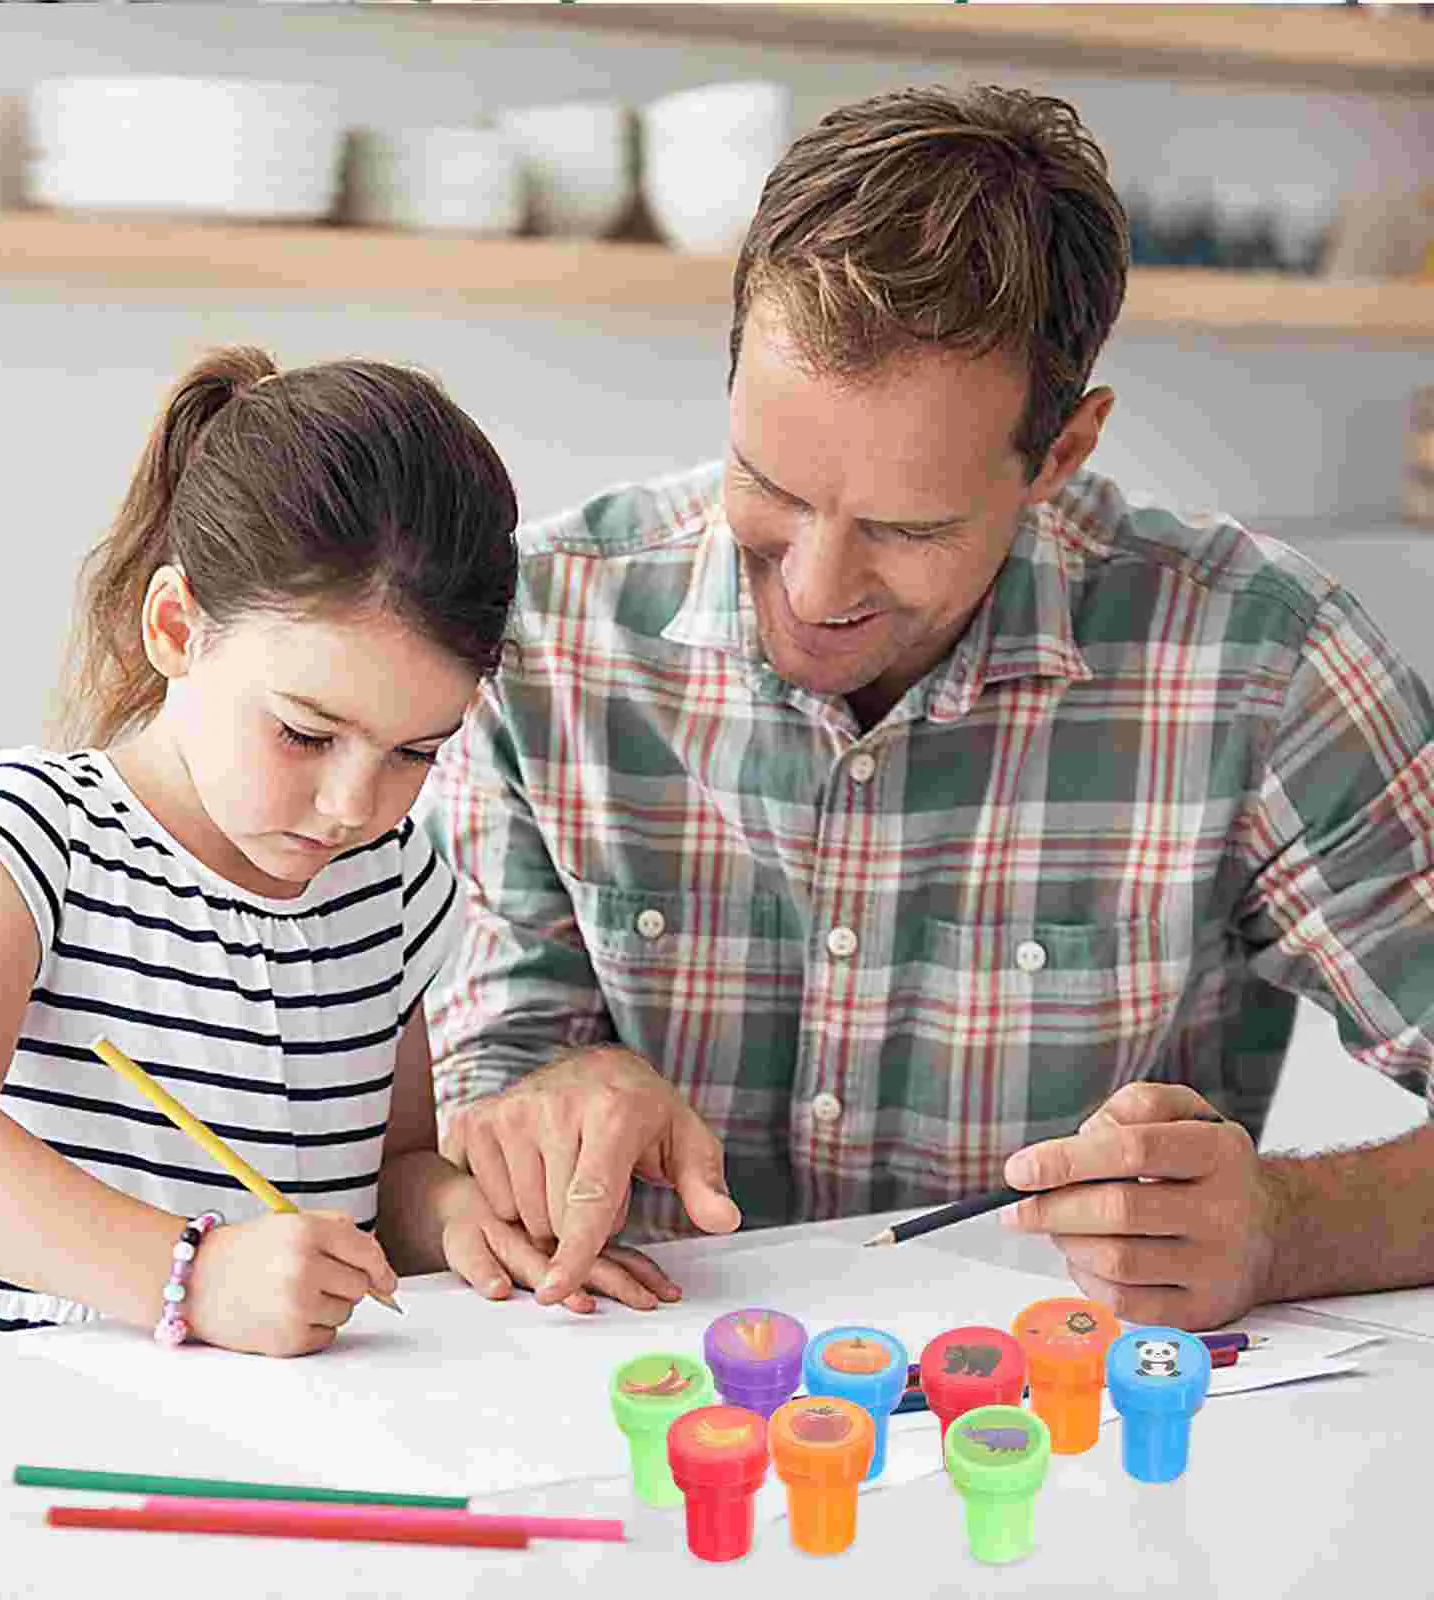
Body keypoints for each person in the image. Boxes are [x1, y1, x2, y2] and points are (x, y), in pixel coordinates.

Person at [421, 85, 1434, 1333]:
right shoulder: (545, 633)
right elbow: (488, 1064)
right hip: (633, 1415)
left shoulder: (1263, 664)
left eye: (907, 528)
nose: (814, 586)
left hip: (1069, 1445)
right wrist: (541, 1098)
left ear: (1060, 454)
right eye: (769, 484)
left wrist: (1286, 1228)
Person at [0, 346, 676, 1356]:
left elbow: (392, 1165)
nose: (349, 805)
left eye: (414, 751)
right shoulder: (36, 839)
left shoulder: (391, 887)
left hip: (278, 1445)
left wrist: (460, 1218)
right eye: (303, 733)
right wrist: (188, 1276)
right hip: (31, 1429)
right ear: (175, 628)